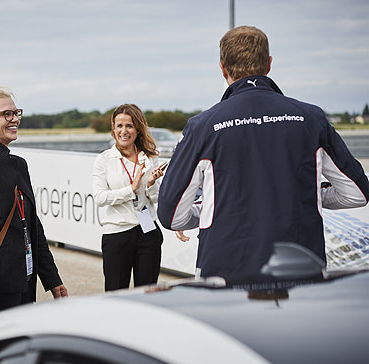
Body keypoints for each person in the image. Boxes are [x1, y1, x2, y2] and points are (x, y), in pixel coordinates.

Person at [157, 26, 369, 278]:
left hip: (225, 272)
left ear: (222, 68)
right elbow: (356, 193)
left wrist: (213, 205)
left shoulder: (202, 126)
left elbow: (172, 216)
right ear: (268, 65)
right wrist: (295, 196)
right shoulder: (312, 118)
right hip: (300, 270)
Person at [0, 87, 67, 316]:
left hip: (24, 280)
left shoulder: (18, 164)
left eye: (16, 113)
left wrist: (52, 279)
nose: (14, 119)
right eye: (6, 114)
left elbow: (33, 227)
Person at [92, 104, 166, 291]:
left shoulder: (149, 158)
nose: (124, 131)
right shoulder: (104, 160)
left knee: (148, 295)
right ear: (113, 128)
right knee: (116, 295)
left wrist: (150, 184)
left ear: (138, 129)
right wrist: (130, 190)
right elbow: (100, 198)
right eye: (119, 126)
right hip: (117, 234)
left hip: (148, 231)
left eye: (129, 126)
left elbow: (155, 198)